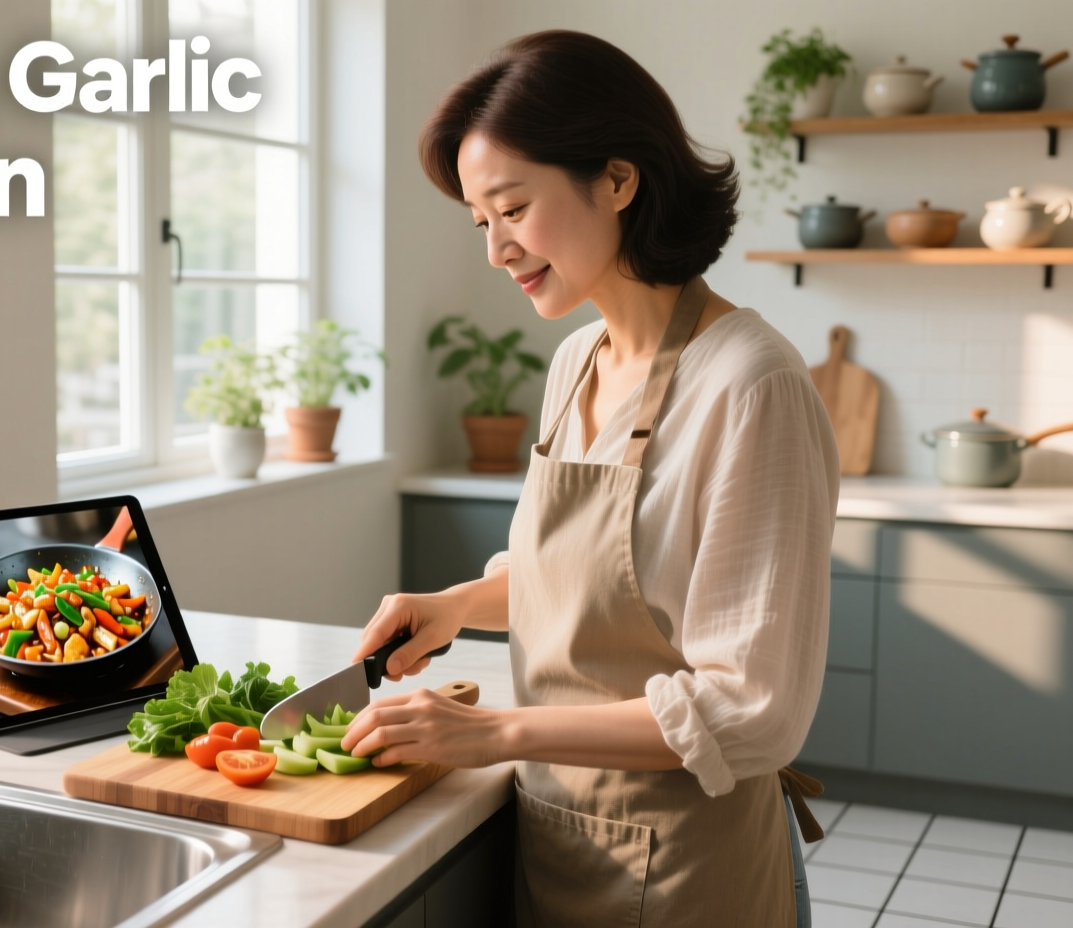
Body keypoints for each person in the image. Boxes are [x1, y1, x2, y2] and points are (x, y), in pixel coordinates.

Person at [339, 30, 839, 928]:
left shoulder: (752, 383)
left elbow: (751, 710)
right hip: (564, 837)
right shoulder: (577, 360)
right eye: (480, 220)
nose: (496, 249)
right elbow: (578, 584)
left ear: (617, 179)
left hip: (692, 867)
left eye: (514, 208)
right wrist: (457, 602)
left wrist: (494, 733)